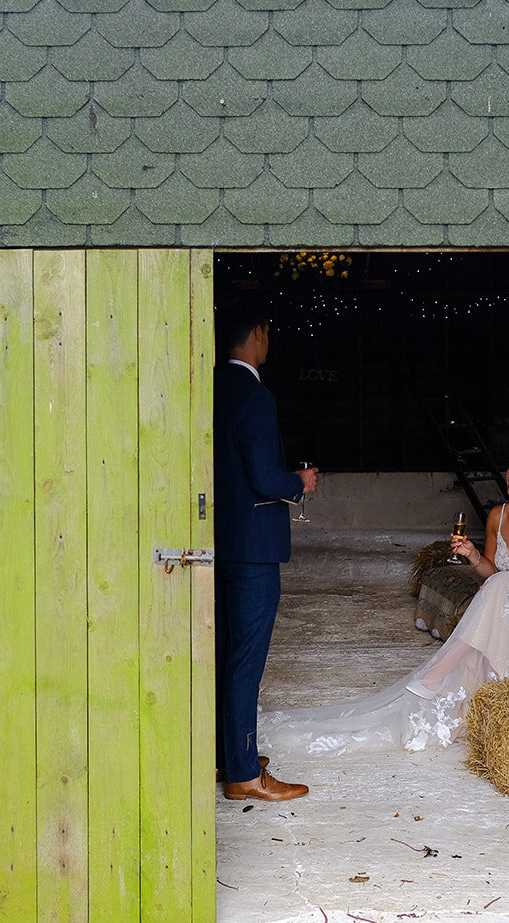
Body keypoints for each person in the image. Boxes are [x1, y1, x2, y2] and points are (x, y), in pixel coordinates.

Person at [259, 448, 509, 758]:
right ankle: (488, 706)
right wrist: (473, 555)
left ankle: (439, 670)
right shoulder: (496, 516)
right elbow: (490, 574)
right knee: (500, 586)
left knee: (503, 585)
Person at [214, 301, 320, 801]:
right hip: (254, 548)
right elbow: (263, 477)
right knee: (245, 661)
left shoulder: (213, 386)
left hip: (219, 541)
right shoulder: (255, 396)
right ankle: (244, 776)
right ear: (256, 334)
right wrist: (299, 481)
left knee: (224, 654)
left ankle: (229, 755)